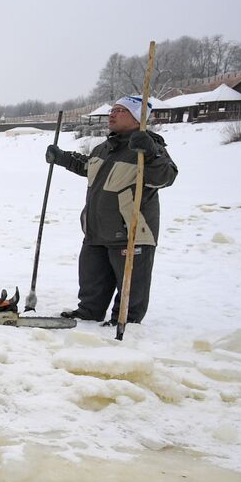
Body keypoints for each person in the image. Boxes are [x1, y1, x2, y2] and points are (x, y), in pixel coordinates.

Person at [46, 95, 178, 325]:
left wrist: (151, 153)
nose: (112, 114)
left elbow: (165, 177)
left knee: (130, 282)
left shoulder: (148, 149)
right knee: (91, 278)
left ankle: (124, 320)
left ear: (138, 118)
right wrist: (63, 158)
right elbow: (87, 167)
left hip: (130, 232)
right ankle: (89, 311)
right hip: (97, 228)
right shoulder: (103, 148)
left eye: (120, 111)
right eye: (113, 110)